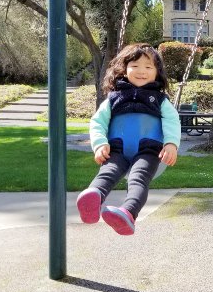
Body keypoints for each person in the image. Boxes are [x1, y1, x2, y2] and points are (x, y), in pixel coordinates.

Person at [76, 43, 181, 235]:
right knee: (107, 173)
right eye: (135, 66)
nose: (142, 71)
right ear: (124, 70)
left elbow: (172, 121)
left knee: (138, 179)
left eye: (148, 67)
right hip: (117, 148)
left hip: (149, 151)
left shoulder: (159, 99)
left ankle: (128, 213)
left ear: (157, 72)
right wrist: (100, 144)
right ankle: (93, 199)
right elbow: (98, 122)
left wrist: (171, 144)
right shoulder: (114, 97)